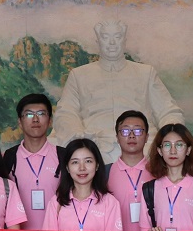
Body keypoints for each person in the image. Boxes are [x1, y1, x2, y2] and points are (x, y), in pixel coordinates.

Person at [50, 20, 183, 163]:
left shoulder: (146, 73)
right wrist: (77, 136)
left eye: (117, 37)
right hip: (95, 144)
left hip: (143, 145)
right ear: (98, 41)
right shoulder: (79, 75)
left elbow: (168, 111)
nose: (112, 42)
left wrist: (169, 137)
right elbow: (66, 112)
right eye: (106, 37)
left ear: (124, 41)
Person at [139, 123, 193, 231]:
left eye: (179, 145)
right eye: (167, 145)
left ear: (188, 150)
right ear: (160, 151)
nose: (173, 151)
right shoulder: (149, 189)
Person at [1, 94, 64, 230]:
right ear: (20, 122)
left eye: (41, 114)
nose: (35, 119)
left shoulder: (63, 156)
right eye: (29, 114)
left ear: (50, 121)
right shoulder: (8, 158)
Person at [42, 138, 123, 231]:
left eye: (88, 161)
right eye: (75, 162)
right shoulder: (56, 202)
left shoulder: (110, 203)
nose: (82, 168)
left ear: (97, 165)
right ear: (67, 168)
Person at [106, 110, 154, 231]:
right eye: (125, 131)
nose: (131, 135)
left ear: (147, 137)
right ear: (117, 137)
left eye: (138, 130)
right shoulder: (105, 173)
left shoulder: (157, 171)